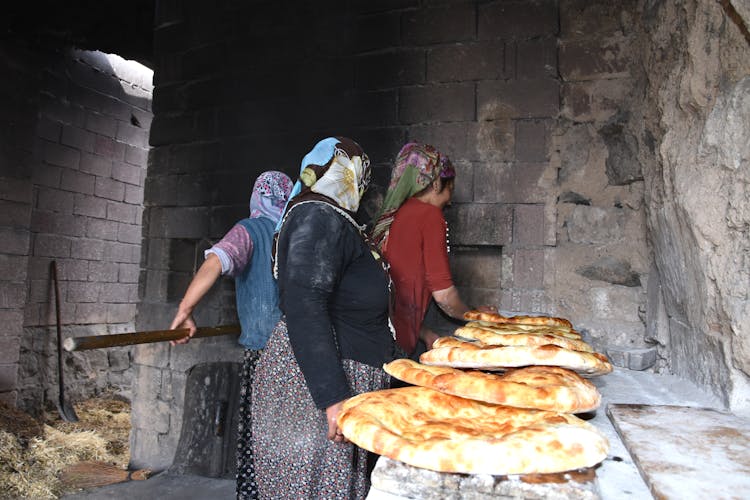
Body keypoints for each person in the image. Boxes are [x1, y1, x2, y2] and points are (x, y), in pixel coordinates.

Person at [251, 137, 396, 499]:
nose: (360, 184)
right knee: (315, 488)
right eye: (356, 172)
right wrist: (333, 397)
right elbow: (304, 302)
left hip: (337, 377)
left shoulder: (335, 219)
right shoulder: (317, 215)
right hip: (315, 387)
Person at [168, 170, 293, 500]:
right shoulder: (297, 228)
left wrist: (185, 309)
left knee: (259, 438)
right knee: (292, 438)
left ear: (257, 197)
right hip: (304, 355)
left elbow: (215, 263)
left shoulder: (250, 230)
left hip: (265, 354)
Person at [370, 142, 496, 358]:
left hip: (377, 334)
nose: (449, 202)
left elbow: (397, 296)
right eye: (451, 190)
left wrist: (426, 334)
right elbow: (445, 297)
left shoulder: (391, 216)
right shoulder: (429, 216)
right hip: (395, 343)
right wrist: (477, 317)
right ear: (437, 183)